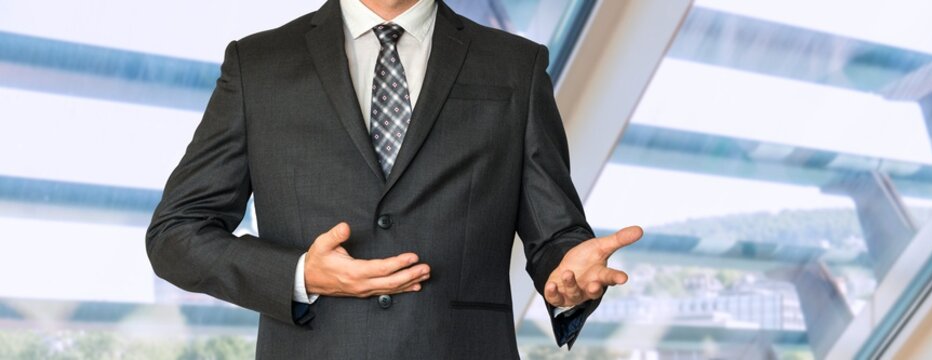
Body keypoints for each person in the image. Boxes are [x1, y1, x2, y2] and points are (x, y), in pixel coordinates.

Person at [145, 0, 642, 358]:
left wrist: (569, 278)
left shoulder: (516, 66)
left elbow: (554, 235)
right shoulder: (260, 65)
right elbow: (176, 234)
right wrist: (300, 275)